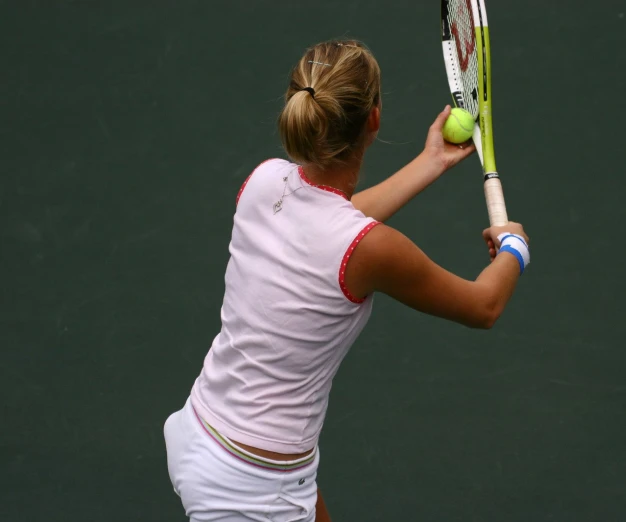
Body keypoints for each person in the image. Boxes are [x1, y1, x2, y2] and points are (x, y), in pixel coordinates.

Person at [163, 39, 530, 522]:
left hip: (199, 429)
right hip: (253, 487)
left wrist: (431, 162)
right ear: (374, 120)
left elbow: (329, 227)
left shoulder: (264, 181)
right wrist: (515, 247)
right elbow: (484, 305)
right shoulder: (371, 250)